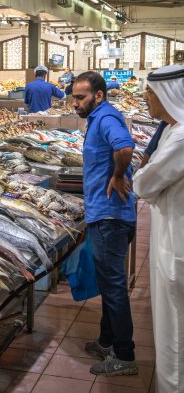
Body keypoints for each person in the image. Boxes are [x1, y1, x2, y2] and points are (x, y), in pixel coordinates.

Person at [72, 71, 137, 376]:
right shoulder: (98, 118)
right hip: (106, 214)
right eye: (73, 97)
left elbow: (124, 148)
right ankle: (106, 340)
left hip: (110, 217)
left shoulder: (107, 117)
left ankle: (124, 356)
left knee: (113, 289)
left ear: (98, 95)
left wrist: (118, 175)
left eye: (80, 97)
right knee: (110, 283)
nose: (75, 103)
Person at [133, 64, 184, 393]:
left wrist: (144, 174)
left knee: (173, 330)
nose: (146, 98)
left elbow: (144, 183)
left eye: (150, 92)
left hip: (176, 245)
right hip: (169, 237)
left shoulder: (181, 137)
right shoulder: (171, 129)